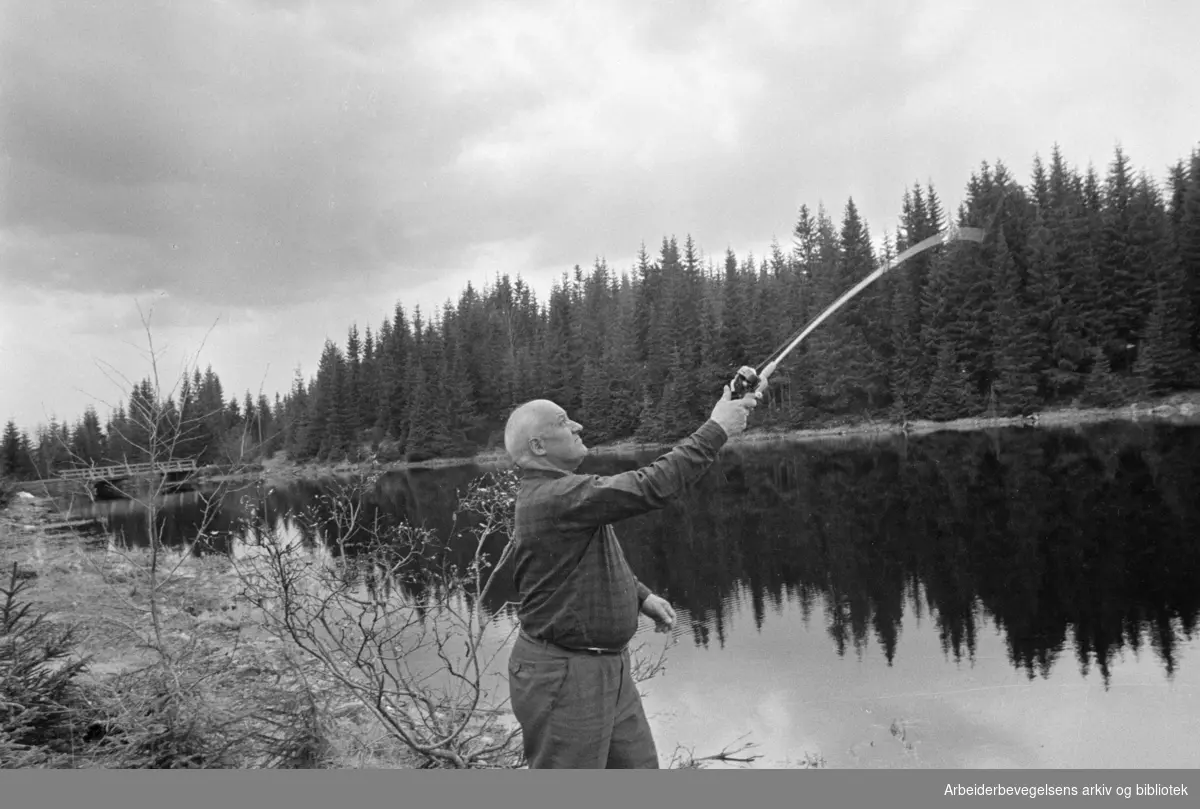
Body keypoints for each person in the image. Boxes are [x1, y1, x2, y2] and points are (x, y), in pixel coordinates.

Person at [502, 378, 767, 768]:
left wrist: (640, 595)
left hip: (606, 667)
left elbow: (582, 562)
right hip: (564, 675)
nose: (577, 426)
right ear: (538, 447)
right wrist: (717, 429)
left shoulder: (565, 492)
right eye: (563, 422)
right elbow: (650, 486)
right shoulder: (551, 497)